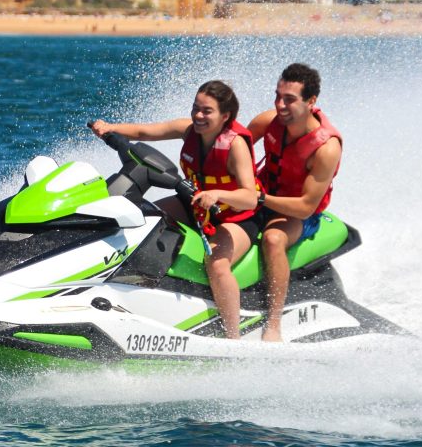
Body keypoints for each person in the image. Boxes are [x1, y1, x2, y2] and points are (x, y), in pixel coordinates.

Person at [90, 81, 260, 339]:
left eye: (207, 111)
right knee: (144, 220)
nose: (198, 115)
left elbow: (250, 197)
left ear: (225, 116)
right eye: (196, 108)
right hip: (197, 205)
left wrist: (217, 193)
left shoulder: (235, 145)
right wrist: (110, 128)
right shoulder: (188, 129)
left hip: (236, 217)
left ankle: (233, 337)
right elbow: (144, 132)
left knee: (217, 265)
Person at [248, 63, 343, 342]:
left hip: (298, 213)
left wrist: (261, 199)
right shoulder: (267, 121)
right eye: (278, 96)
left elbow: (305, 206)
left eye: (289, 99)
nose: (280, 105)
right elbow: (230, 146)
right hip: (259, 196)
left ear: (311, 101)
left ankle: (274, 323)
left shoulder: (326, 148)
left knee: (274, 239)